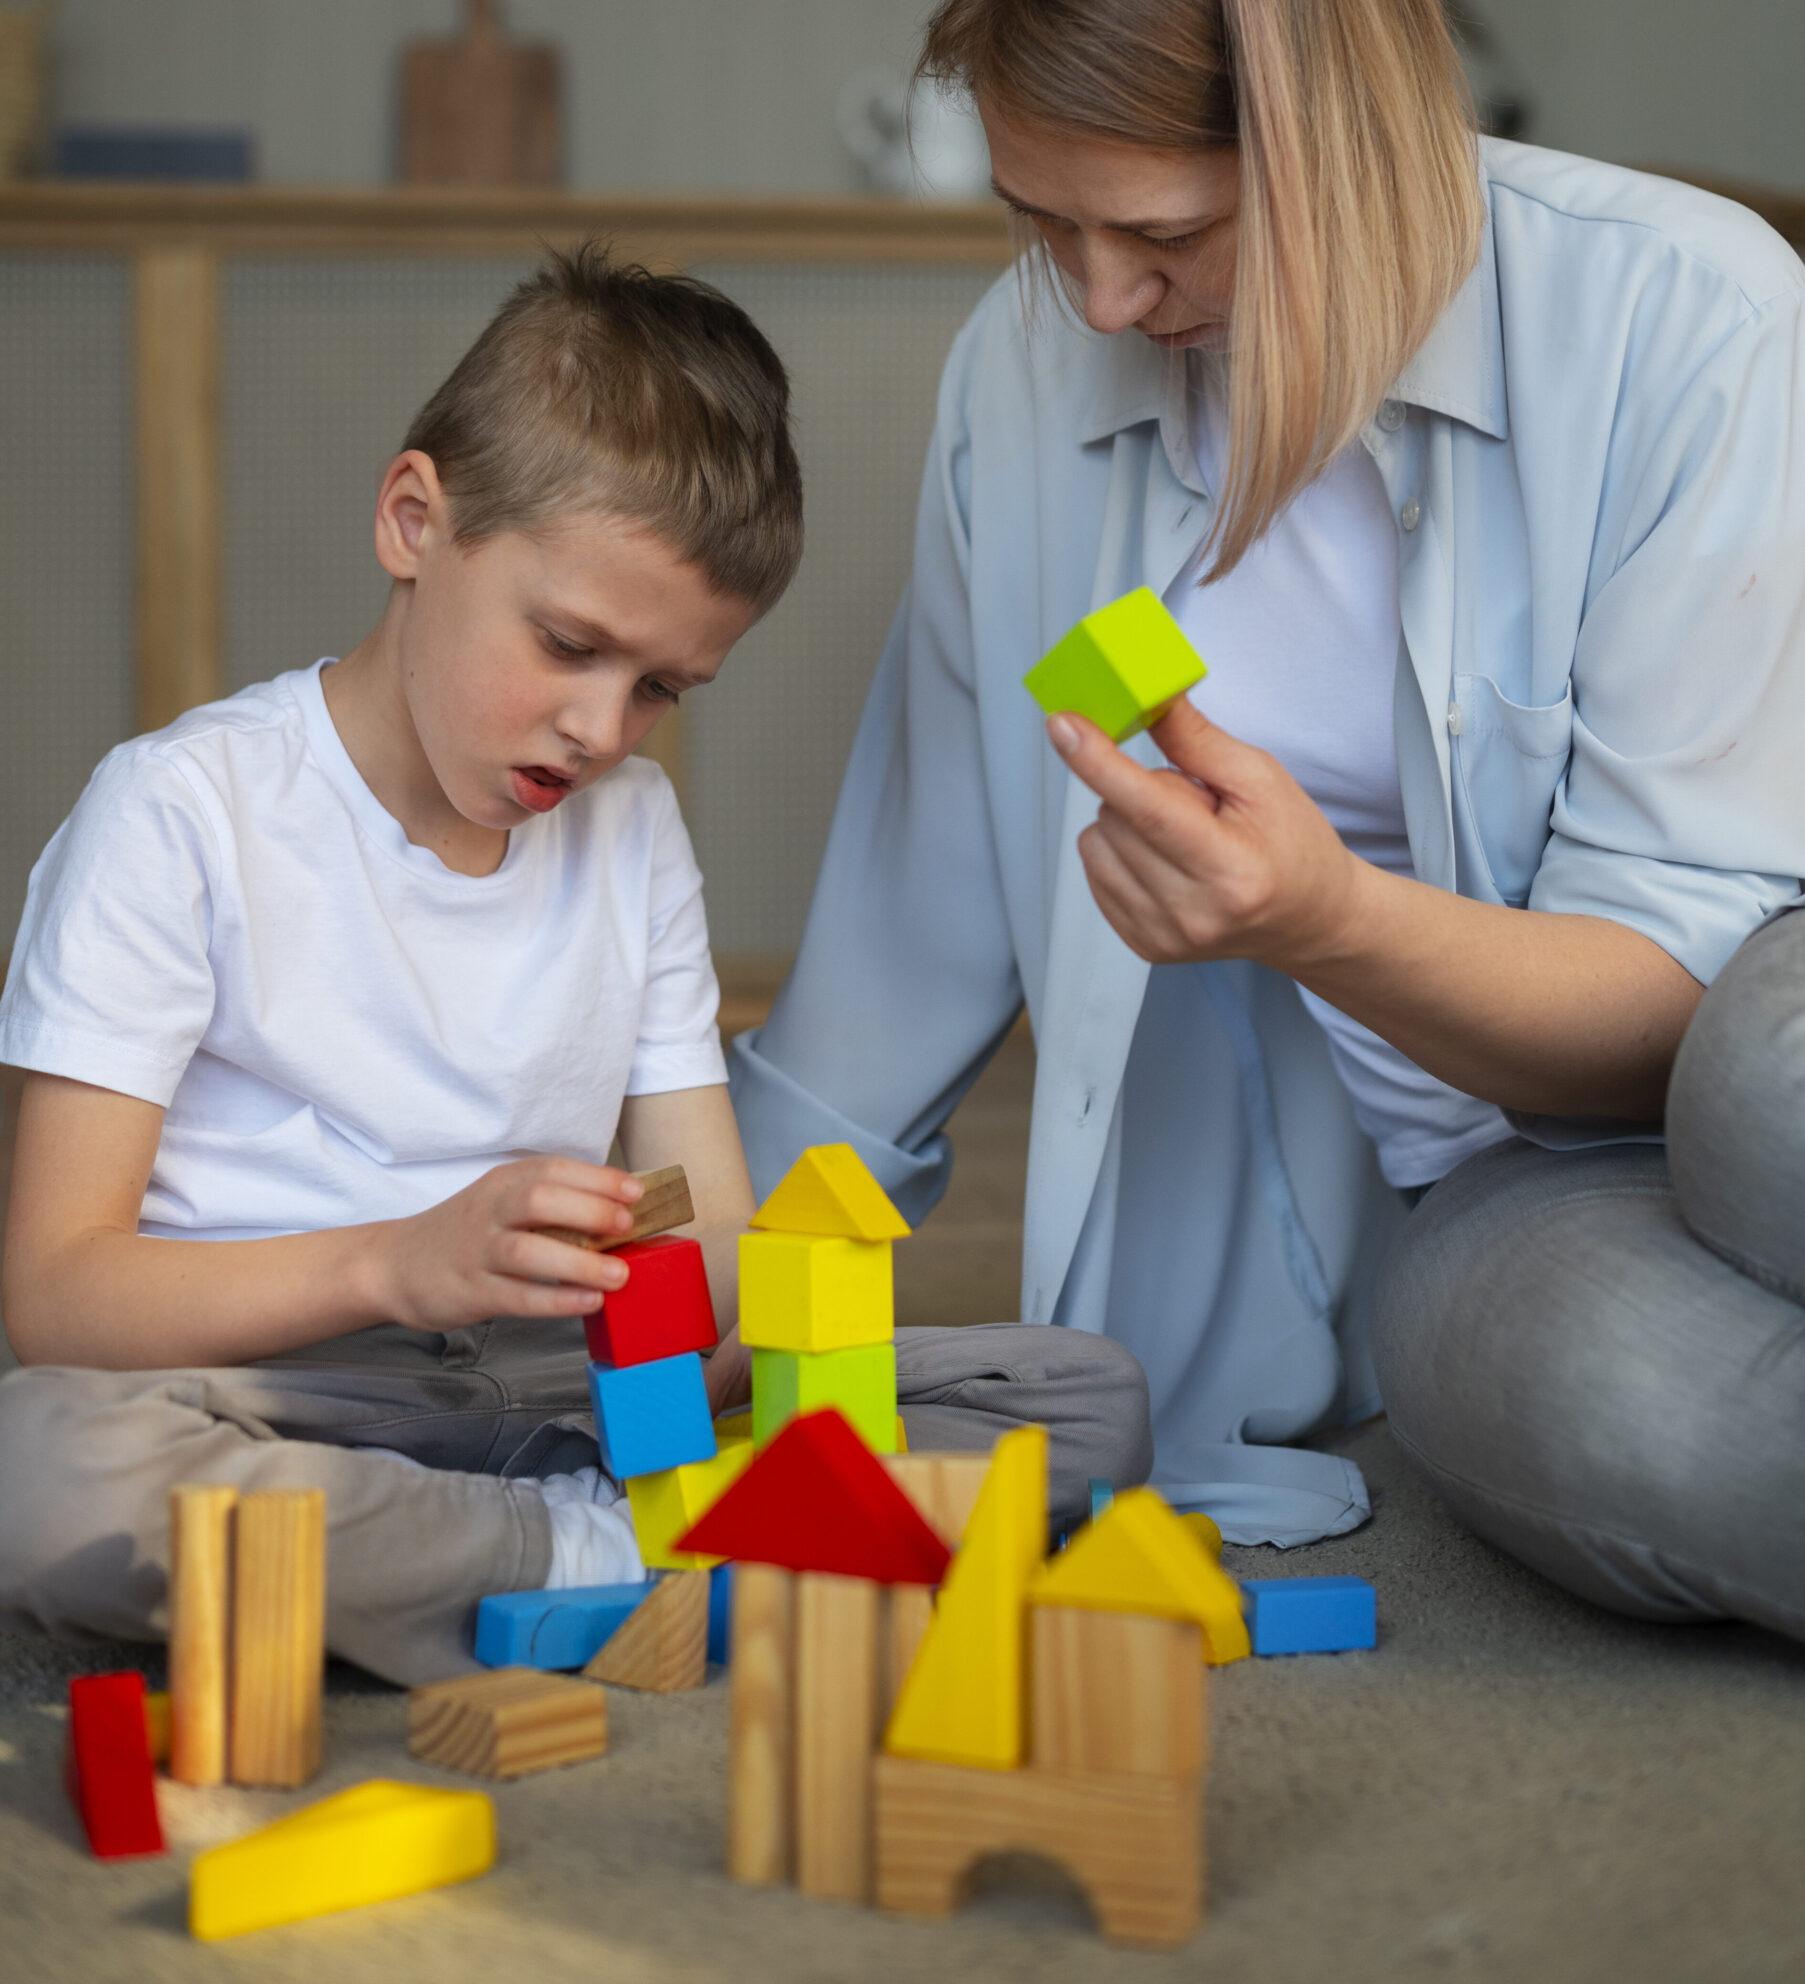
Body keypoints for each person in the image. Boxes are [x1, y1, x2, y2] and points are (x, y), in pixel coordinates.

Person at [728, 0, 1805, 1683]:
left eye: (1168, 241)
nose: (1101, 301)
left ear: (1343, 143)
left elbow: (1677, 1001)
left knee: (1780, 1105)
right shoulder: (1029, 378)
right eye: (1048, 227)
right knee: (1546, 1384)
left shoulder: (1688, 317)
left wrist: (1323, 922)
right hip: (1507, 1173)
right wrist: (653, 1267)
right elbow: (912, 925)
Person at [0, 248, 1150, 1687]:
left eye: (662, 687)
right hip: (279, 1394)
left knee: (1076, 1397)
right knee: (41, 1476)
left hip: (564, 1395)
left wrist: (724, 1327)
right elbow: (54, 1295)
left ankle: (507, 1552)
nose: (603, 730)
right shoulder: (180, 812)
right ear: (415, 521)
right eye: (568, 646)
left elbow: (713, 1233)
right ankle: (592, 1561)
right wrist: (395, 1262)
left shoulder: (632, 831)